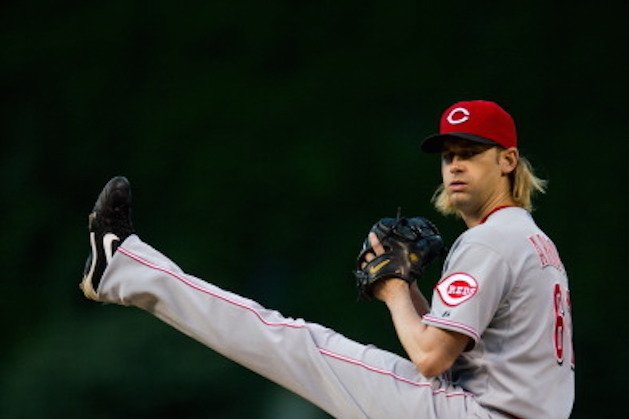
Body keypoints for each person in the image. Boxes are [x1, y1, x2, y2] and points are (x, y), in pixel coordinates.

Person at [80, 100, 574, 418]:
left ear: (508, 161)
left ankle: (123, 265)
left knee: (295, 341)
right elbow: (464, 356)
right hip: (497, 408)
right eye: (448, 156)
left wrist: (395, 289)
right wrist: (415, 290)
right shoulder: (531, 240)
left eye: (472, 152)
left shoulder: (490, 243)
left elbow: (428, 359)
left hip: (477, 414)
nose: (456, 165)